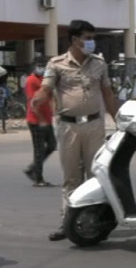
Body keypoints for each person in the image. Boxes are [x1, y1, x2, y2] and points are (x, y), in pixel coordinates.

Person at [31, 20, 120, 241]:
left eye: (92, 38)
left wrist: (119, 121)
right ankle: (67, 222)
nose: (91, 42)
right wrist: (40, 97)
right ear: (74, 40)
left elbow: (108, 94)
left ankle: (94, 222)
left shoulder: (99, 63)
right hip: (68, 126)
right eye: (87, 38)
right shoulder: (57, 64)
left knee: (95, 176)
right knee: (71, 177)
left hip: (94, 125)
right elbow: (46, 87)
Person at [24, 57, 57, 187]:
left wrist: (53, 113)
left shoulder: (45, 80)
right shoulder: (31, 80)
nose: (41, 68)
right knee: (39, 149)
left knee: (52, 145)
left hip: (46, 120)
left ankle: (32, 168)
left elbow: (51, 96)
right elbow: (33, 103)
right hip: (36, 120)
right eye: (39, 65)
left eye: (43, 65)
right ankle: (38, 178)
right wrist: (42, 120)